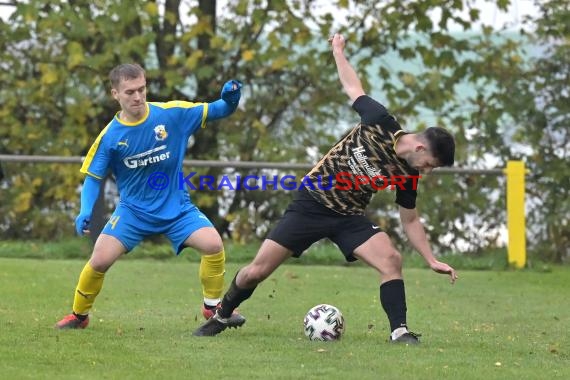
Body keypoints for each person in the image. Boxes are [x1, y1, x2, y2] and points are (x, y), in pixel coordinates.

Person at [193, 34, 458, 343]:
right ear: (421, 147)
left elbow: (410, 219)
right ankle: (223, 313)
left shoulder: (407, 174)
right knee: (256, 272)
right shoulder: (379, 121)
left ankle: (400, 331)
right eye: (430, 165)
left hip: (349, 217)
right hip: (311, 204)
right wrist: (338, 52)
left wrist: (430, 259)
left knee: (391, 260)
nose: (426, 172)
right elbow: (353, 87)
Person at [56, 63, 245, 329]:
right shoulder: (110, 136)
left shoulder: (171, 115)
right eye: (130, 92)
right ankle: (79, 316)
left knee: (213, 244)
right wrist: (85, 209)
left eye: (142, 89)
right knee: (99, 260)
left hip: (177, 208)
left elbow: (219, 109)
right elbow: (93, 178)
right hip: (133, 212)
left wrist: (231, 99)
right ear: (115, 94)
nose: (137, 96)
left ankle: (211, 307)